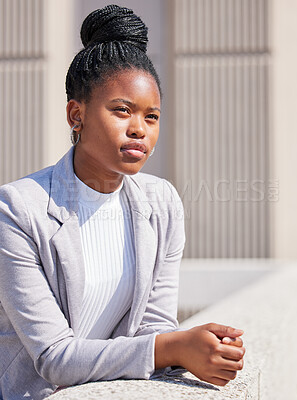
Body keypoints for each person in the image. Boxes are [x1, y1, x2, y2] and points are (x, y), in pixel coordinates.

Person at [0, 5, 245, 400]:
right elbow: (53, 356)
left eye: (152, 117)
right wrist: (176, 348)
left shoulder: (160, 203)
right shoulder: (17, 209)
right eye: (122, 110)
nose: (139, 129)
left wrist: (202, 347)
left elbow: (153, 328)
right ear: (75, 114)